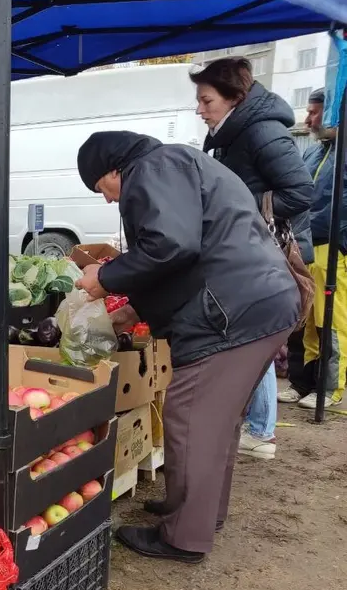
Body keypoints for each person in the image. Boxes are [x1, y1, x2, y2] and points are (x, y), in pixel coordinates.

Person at [75, 131, 299, 563]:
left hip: (232, 310)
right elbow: (185, 254)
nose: (106, 201)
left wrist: (104, 278)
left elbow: (171, 245)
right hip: (258, 302)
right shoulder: (178, 165)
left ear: (113, 168)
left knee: (190, 414)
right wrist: (134, 308)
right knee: (217, 421)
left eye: (101, 188)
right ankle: (198, 511)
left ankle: (184, 537)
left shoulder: (154, 168)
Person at [191, 57, 313, 459]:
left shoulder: (261, 132)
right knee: (251, 338)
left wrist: (243, 207)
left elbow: (300, 192)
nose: (200, 109)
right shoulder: (233, 132)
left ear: (234, 98)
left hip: (264, 255)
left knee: (250, 339)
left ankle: (260, 430)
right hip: (248, 252)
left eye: (207, 101)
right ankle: (258, 427)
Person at [278, 88, 347, 409]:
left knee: (331, 322)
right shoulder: (314, 152)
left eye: (315, 112)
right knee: (304, 318)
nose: (308, 119)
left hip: (334, 249)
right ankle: (301, 382)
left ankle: (330, 387)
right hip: (305, 247)